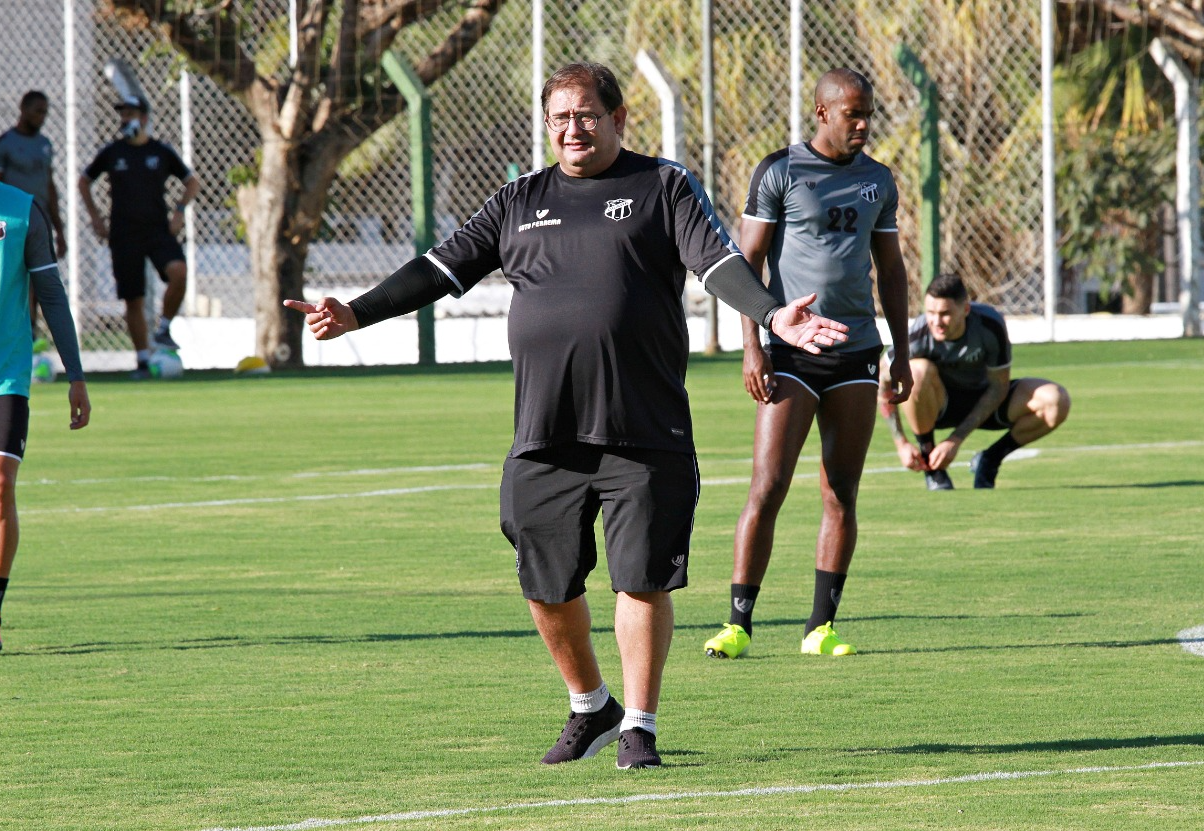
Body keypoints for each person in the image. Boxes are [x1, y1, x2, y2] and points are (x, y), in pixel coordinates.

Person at [284, 62, 850, 769]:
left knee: (640, 577)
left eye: (586, 115)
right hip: (544, 432)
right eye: (559, 119)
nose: (572, 129)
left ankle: (639, 724)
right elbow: (441, 266)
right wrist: (357, 310)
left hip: (643, 429)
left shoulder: (662, 186)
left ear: (618, 118)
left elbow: (718, 262)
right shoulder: (519, 199)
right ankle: (591, 704)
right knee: (545, 583)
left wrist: (772, 316)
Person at [703, 67, 913, 662]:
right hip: (792, 353)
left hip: (857, 353)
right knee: (768, 486)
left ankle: (820, 627)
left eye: (869, 112)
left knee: (841, 491)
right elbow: (744, 268)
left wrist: (899, 351)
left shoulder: (879, 181)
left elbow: (892, 272)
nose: (865, 124)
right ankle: (738, 623)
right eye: (853, 114)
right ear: (822, 113)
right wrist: (752, 346)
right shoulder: (781, 171)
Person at [0, 181, 91, 652]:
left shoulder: (22, 211)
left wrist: (75, 374)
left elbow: (50, 294)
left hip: (6, 373)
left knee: (1, 484)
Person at [879, 273, 1071, 489]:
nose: (936, 321)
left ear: (966, 309)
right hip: (940, 406)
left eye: (945, 314)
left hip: (988, 403)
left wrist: (956, 439)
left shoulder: (990, 324)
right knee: (917, 370)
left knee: (1056, 401)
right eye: (930, 312)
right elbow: (883, 380)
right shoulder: (918, 333)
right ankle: (932, 465)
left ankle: (990, 460)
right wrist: (901, 442)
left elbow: (999, 386)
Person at [79, 94, 200, 379]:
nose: (125, 119)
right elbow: (85, 180)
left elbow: (191, 182)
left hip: (158, 230)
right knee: (133, 298)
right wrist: (96, 217)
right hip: (123, 233)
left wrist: (180, 210)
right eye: (122, 114)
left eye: (130, 113)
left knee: (179, 272)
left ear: (144, 118)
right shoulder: (112, 152)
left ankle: (163, 329)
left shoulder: (160, 151)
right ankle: (143, 360)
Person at [0, 91, 69, 338]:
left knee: (40, 278)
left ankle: (32, 332)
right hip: (11, 225)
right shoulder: (5, 144)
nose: (42, 117)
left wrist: (59, 230)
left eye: (45, 112)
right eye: (38, 111)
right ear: (23, 109)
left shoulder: (44, 145)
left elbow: (49, 187)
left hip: (40, 222)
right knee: (15, 279)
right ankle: (20, 331)